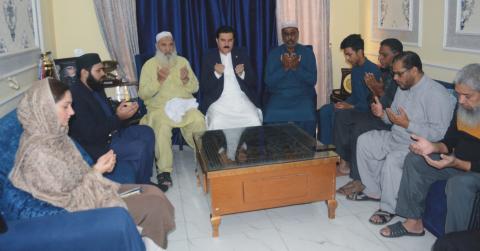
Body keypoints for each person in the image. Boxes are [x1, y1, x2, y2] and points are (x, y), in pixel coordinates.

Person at [9, 78, 175, 249]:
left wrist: (97, 171)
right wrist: (96, 172)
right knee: (155, 205)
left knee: (154, 193)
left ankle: (144, 241)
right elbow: (67, 203)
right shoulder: (37, 154)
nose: (72, 112)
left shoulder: (55, 135)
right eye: (66, 106)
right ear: (45, 109)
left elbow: (76, 177)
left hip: (91, 191)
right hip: (80, 210)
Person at [351, 51, 455, 226]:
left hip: (414, 145)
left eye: (399, 73)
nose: (396, 78)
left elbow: (439, 134)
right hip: (395, 136)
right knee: (365, 141)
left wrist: (409, 125)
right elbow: (393, 119)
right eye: (394, 74)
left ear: (414, 70)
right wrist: (382, 114)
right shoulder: (403, 88)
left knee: (392, 159)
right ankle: (374, 191)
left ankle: (389, 208)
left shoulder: (436, 94)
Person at [380, 63, 480, 238]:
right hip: (455, 161)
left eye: (467, 96)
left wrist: (458, 163)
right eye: (458, 94)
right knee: (415, 159)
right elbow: (450, 140)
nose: (461, 100)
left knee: (459, 184)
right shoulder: (462, 107)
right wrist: (433, 146)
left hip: (474, 170)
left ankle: (453, 243)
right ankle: (413, 223)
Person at [68, 53, 156, 186]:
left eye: (102, 69)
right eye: (98, 70)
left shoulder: (96, 86)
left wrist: (119, 110)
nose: (103, 73)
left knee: (147, 132)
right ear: (84, 72)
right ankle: (143, 185)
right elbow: (91, 134)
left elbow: (105, 116)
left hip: (113, 133)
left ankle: (144, 178)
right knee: (140, 147)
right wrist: (118, 117)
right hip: (100, 145)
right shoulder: (76, 97)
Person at [138, 31, 206, 190]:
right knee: (161, 127)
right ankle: (164, 171)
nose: (168, 49)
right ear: (157, 46)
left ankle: (203, 161)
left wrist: (186, 80)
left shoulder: (182, 62)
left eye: (170, 45)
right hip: (159, 108)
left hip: (184, 106)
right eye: (164, 45)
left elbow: (195, 87)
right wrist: (158, 81)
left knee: (198, 119)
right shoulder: (149, 65)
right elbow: (142, 94)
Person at [335, 38, 402, 194]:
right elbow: (372, 99)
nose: (380, 59)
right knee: (341, 115)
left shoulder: (401, 75)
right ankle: (341, 161)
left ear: (396, 54)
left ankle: (358, 179)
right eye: (379, 55)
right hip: (378, 113)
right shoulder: (385, 72)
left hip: (392, 120)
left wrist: (377, 91)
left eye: (384, 55)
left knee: (359, 128)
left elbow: (394, 105)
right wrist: (375, 92)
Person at [318, 34, 382, 144]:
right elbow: (355, 95)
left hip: (365, 110)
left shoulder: (372, 71)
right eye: (346, 55)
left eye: (349, 55)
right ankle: (325, 149)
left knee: (337, 113)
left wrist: (350, 106)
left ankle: (337, 151)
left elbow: (370, 102)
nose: (347, 58)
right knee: (324, 110)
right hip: (354, 105)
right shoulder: (355, 68)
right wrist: (344, 103)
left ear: (360, 52)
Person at [200, 25, 262, 130]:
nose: (226, 44)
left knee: (253, 119)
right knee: (217, 122)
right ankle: (220, 147)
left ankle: (248, 146)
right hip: (218, 101)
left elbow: (253, 82)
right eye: (223, 40)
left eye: (230, 40)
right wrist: (217, 74)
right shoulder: (209, 57)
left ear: (234, 40)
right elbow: (204, 87)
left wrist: (242, 74)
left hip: (240, 98)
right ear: (217, 40)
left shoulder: (242, 54)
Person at [263, 21, 317, 137]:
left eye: (293, 33)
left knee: (308, 115)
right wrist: (284, 68)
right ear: (282, 36)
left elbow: (313, 80)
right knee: (270, 115)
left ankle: (307, 151)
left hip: (302, 96)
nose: (290, 37)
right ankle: (277, 152)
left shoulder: (307, 53)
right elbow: (268, 81)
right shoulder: (273, 54)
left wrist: (297, 68)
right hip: (279, 96)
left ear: (298, 34)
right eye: (286, 34)